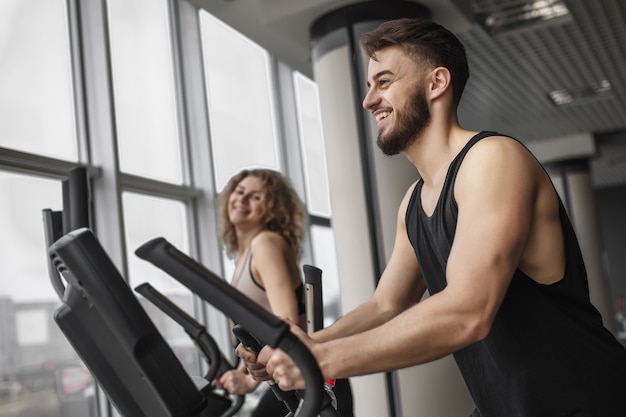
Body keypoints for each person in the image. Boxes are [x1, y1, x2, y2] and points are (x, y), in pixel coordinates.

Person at [237, 18, 626, 417]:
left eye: (384, 82)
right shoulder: (414, 201)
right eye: (370, 86)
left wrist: (321, 360)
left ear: (436, 83)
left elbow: (466, 312)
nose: (369, 100)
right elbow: (388, 304)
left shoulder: (492, 159)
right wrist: (305, 347)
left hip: (589, 400)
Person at [216, 168, 353, 417]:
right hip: (292, 375)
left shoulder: (265, 243)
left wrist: (249, 382)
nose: (243, 200)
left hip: (311, 376)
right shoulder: (242, 258)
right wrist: (240, 371)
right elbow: (248, 331)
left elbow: (285, 325)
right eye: (239, 191)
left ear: (272, 208)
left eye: (256, 197)